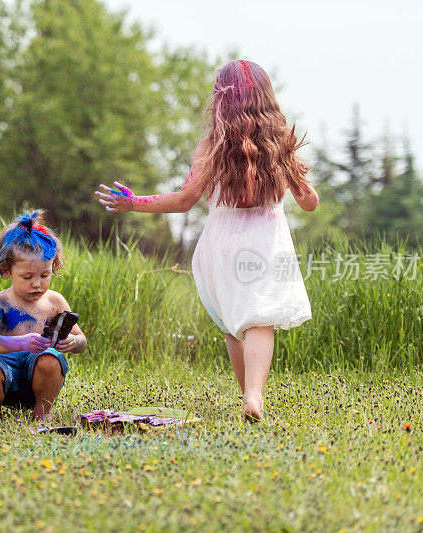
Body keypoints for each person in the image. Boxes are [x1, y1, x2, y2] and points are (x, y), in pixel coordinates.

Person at [95, 59, 318, 421]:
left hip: (222, 244)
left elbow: (184, 201)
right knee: (259, 320)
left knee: (233, 321)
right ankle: (255, 397)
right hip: (266, 241)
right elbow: (309, 203)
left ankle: (247, 395)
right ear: (266, 98)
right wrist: (293, 179)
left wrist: (134, 203)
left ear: (221, 99)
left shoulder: (211, 146)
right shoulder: (280, 145)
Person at [0, 210, 87, 420]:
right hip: (5, 369)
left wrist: (72, 342)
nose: (37, 283)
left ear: (53, 267)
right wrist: (21, 343)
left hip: (41, 377)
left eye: (45, 275)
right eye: (27, 276)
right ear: (6, 271)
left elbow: (82, 340)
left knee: (51, 360)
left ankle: (42, 414)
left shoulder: (55, 301)